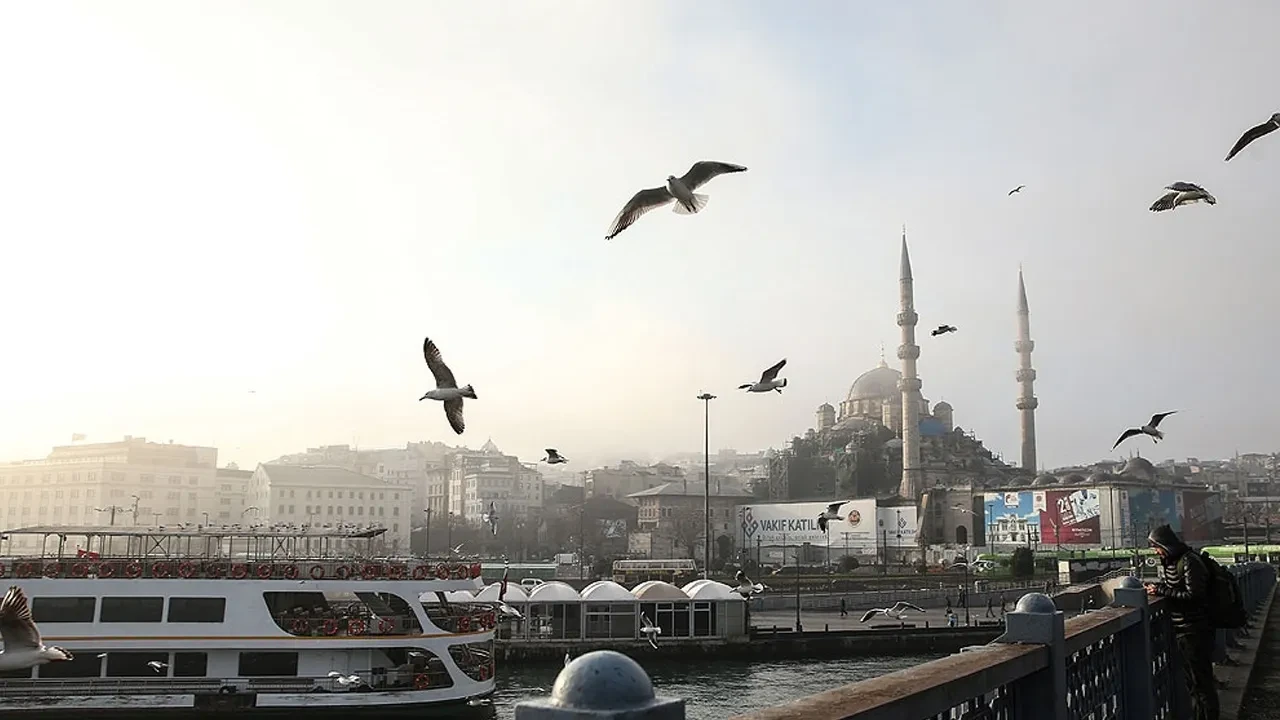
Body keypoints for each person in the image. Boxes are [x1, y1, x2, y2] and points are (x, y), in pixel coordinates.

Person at [1145, 523, 1219, 720]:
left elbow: (1194, 595)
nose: (1155, 552)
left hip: (1195, 630)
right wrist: (1160, 588)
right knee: (1194, 683)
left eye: (1156, 547)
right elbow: (1178, 588)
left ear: (1165, 545)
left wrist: (1161, 591)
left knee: (1200, 683)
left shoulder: (1189, 561)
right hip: (1184, 629)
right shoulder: (1174, 561)